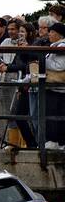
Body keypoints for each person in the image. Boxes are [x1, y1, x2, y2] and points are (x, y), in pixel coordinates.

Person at [43, 22, 65, 150]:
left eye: (51, 32)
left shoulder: (61, 46)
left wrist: (42, 61)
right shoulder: (54, 46)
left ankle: (55, 141)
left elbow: (59, 66)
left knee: (54, 116)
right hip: (56, 87)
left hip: (58, 86)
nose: (49, 34)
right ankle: (57, 141)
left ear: (58, 34)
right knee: (56, 115)